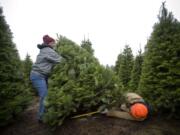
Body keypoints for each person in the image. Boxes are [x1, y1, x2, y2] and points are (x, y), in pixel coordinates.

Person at [30, 35, 62, 122]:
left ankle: (46, 113)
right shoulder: (48, 51)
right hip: (38, 76)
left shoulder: (45, 50)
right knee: (44, 96)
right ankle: (41, 117)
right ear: (49, 43)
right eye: (53, 42)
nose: (55, 44)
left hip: (41, 76)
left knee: (47, 94)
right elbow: (60, 60)